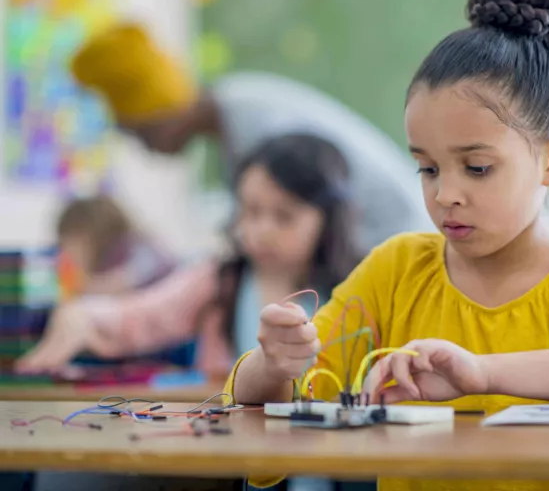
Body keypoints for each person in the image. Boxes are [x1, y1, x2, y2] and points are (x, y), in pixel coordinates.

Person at [226, 0, 549, 491]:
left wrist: (483, 373)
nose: (445, 195)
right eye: (428, 169)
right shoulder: (397, 268)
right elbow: (288, 410)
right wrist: (273, 363)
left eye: (477, 168)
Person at [15, 134, 362, 384]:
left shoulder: (360, 286)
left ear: (328, 219)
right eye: (251, 211)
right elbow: (141, 316)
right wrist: (83, 315)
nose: (262, 231)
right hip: (228, 461)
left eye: (284, 216)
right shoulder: (218, 280)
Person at [68, 26, 432, 253]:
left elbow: (297, 238)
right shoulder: (236, 113)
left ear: (164, 115)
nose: (146, 149)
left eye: (141, 134)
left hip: (400, 245)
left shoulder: (258, 126)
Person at [55, 195, 176, 297]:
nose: (70, 255)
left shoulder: (125, 246)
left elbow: (154, 262)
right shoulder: (100, 267)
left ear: (87, 238)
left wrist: (110, 284)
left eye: (70, 246)